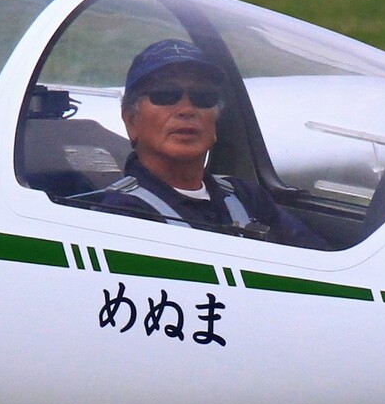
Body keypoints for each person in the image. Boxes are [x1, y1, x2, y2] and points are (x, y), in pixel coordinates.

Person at [88, 39, 327, 248]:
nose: (186, 109)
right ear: (131, 120)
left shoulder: (247, 197)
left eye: (203, 97)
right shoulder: (123, 213)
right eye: (165, 95)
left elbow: (317, 260)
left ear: (216, 120)